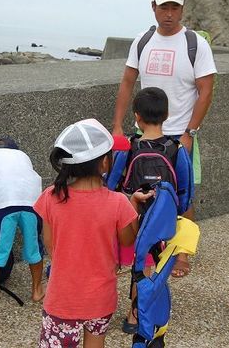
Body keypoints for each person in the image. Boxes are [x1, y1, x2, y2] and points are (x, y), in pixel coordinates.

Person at [112, 0, 217, 278]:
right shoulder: (143, 41)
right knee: (136, 190)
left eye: (174, 7)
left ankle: (181, 253)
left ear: (182, 9)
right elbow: (127, 82)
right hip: (144, 132)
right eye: (163, 7)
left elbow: (206, 90)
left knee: (183, 194)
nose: (169, 13)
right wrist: (117, 125)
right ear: (153, 8)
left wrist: (190, 132)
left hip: (180, 135)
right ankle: (138, 249)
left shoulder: (195, 44)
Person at [34, 118, 152, 348]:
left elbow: (50, 244)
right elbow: (128, 241)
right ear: (105, 163)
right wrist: (133, 206)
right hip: (100, 298)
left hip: (63, 297)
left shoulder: (51, 196)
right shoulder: (118, 202)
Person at [117, 86, 184, 334]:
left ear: (137, 116)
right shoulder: (175, 148)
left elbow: (117, 184)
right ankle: (147, 310)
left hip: (134, 216)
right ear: (166, 115)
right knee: (154, 265)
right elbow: (184, 190)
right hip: (163, 219)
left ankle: (131, 314)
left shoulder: (131, 146)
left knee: (136, 263)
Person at [0, 137, 44, 302]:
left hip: (4, 203)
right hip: (33, 201)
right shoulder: (23, 155)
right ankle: (37, 290)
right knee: (34, 246)